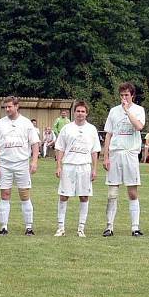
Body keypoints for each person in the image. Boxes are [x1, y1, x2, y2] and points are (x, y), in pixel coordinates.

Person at [0, 96, 40, 235]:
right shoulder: (0, 124)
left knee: (24, 194)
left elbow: (35, 144)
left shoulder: (26, 123)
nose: (7, 109)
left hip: (22, 164)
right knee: (5, 194)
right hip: (5, 164)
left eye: (9, 107)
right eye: (5, 107)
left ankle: (29, 227)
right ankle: (4, 227)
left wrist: (34, 161)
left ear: (17, 106)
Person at [102, 82, 145, 237]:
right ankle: (109, 227)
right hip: (115, 154)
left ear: (132, 95)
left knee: (132, 192)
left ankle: (135, 227)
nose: (124, 98)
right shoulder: (113, 111)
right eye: (122, 95)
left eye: (126, 95)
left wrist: (127, 111)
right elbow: (108, 134)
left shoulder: (139, 110)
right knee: (112, 193)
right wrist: (105, 156)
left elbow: (139, 126)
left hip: (131, 154)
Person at [53, 101, 101, 237]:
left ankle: (81, 228)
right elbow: (60, 148)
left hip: (84, 166)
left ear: (87, 113)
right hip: (68, 166)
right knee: (63, 196)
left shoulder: (91, 129)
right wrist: (58, 166)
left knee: (84, 197)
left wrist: (94, 169)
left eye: (83, 111)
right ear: (74, 112)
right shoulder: (67, 128)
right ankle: (61, 227)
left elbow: (95, 151)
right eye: (78, 111)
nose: (80, 114)